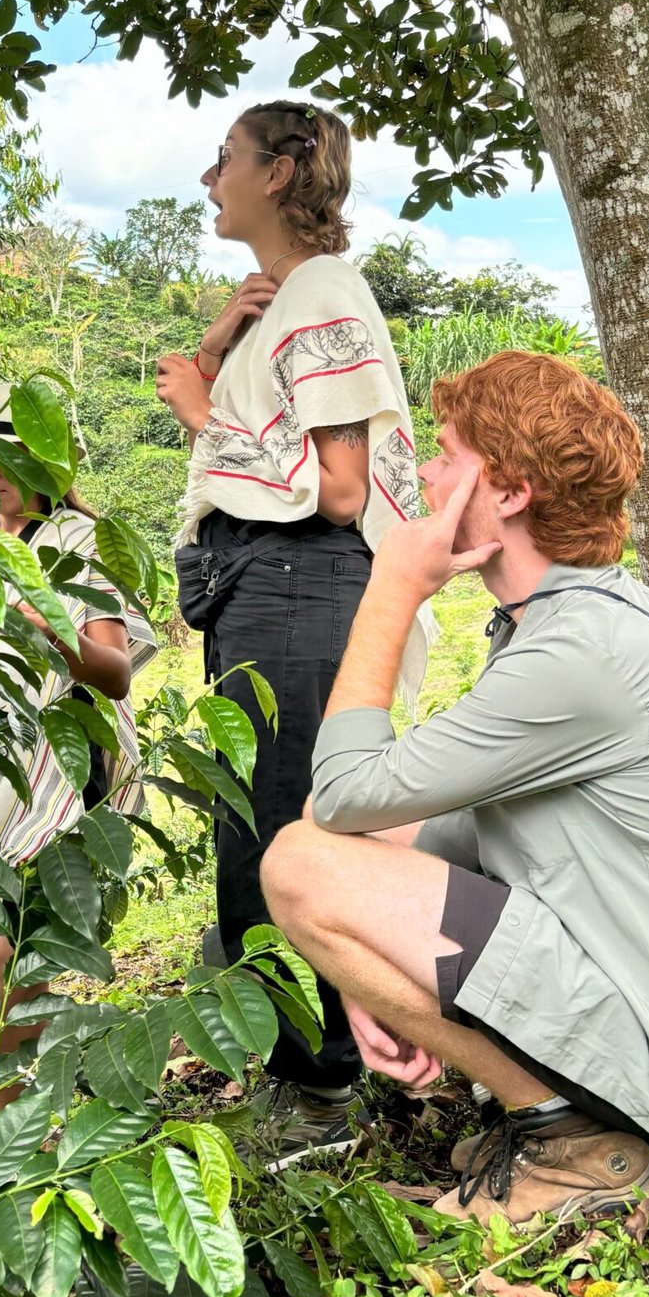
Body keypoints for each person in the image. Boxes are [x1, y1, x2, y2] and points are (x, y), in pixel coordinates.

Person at [261, 352, 649, 1221]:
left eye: (445, 454)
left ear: (510, 492)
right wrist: (361, 973)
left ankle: (577, 1141)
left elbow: (338, 793)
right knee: (332, 856)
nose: (426, 473)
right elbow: (413, 830)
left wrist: (393, 586)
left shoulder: (577, 653)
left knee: (301, 861)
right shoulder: (571, 620)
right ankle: (565, 1113)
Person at [154, 99, 422, 1163]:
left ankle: (321, 1092)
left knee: (279, 832)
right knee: (256, 822)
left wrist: (195, 409)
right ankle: (330, 1068)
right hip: (272, 583)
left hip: (300, 580)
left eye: (223, 159)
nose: (207, 177)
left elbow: (342, 490)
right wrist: (219, 344)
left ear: (280, 171)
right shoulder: (292, 301)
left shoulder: (321, 292)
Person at [0, 384, 157, 1099]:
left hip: (54, 783)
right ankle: (41, 1115)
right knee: (11, 961)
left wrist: (54, 631)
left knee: (10, 967)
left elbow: (113, 673)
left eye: (0, 455)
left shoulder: (81, 543)